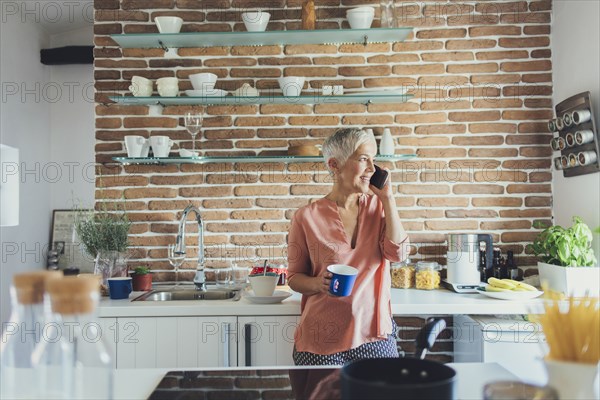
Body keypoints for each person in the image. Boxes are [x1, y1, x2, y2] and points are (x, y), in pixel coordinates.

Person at [287, 127, 410, 365]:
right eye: (364, 159)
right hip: (321, 339)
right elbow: (294, 277)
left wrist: (388, 199)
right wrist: (317, 284)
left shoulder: (379, 208)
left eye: (374, 160)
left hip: (374, 338)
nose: (373, 169)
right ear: (334, 165)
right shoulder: (305, 217)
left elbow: (398, 254)